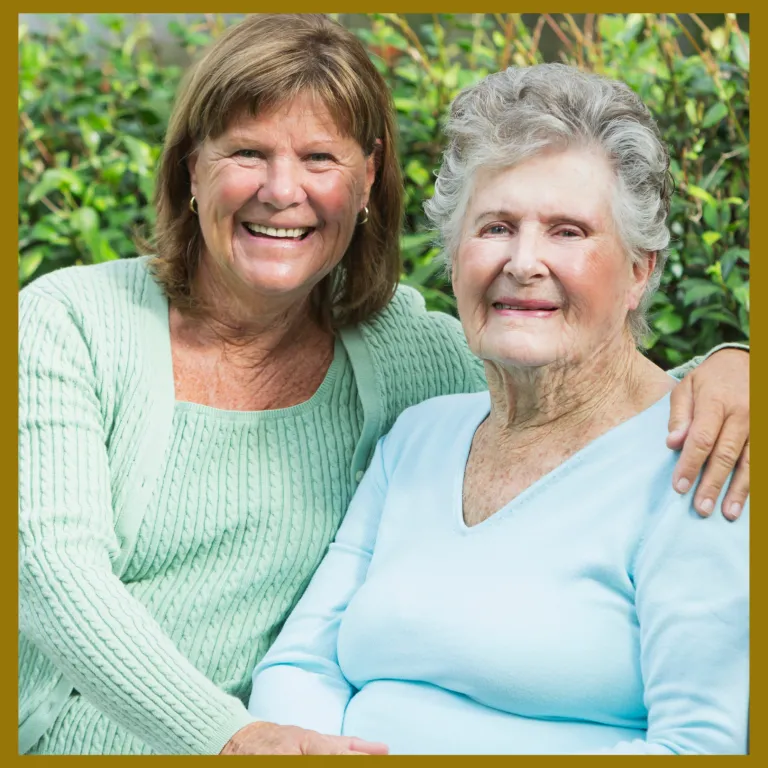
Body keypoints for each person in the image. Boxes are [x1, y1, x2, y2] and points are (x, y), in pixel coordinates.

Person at [18, 15, 748, 756]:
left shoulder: (406, 356)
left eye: (318, 158)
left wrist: (734, 365)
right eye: (247, 152)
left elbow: (585, 389)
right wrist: (234, 737)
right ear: (190, 168)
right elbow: (51, 571)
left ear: (367, 179)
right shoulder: (71, 323)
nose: (281, 189)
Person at [247, 63, 749, 754]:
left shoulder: (704, 456)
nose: (523, 261)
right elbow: (300, 665)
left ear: (640, 270)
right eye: (496, 227)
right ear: (454, 254)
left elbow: (700, 746)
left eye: (568, 231)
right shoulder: (419, 436)